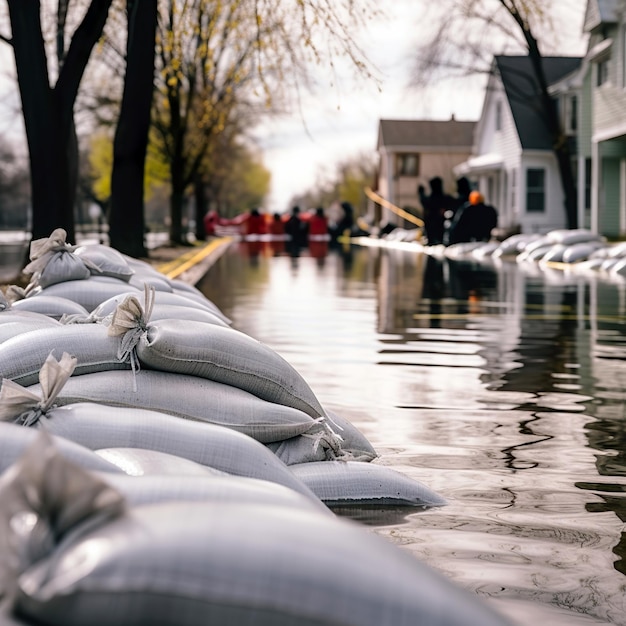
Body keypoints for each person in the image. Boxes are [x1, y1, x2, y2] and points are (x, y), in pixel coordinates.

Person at [418, 176, 457, 245]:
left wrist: (421, 192)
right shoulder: (445, 199)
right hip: (437, 231)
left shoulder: (431, 200)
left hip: (436, 231)